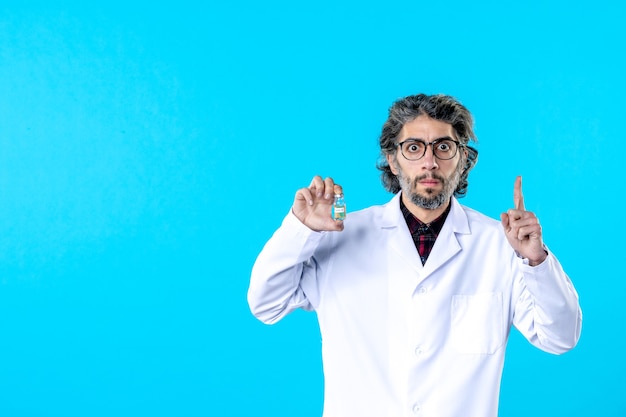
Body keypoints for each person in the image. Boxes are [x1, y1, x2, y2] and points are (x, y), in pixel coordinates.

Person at [247, 93, 582, 417]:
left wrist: (536, 261)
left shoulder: (502, 246)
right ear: (392, 160)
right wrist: (302, 230)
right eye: (413, 148)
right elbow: (266, 303)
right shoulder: (337, 237)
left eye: (444, 147)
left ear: (464, 159)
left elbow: (560, 337)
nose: (429, 162)